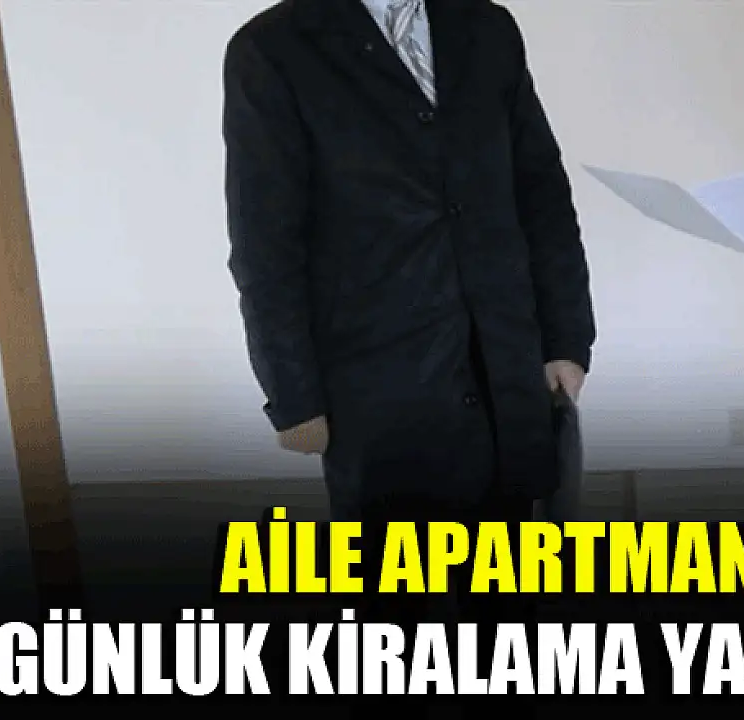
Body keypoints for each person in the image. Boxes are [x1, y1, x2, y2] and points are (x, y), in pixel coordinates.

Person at [222, 0, 594, 696]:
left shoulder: (485, 27)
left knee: (512, 636)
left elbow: (542, 192)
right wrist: (294, 397)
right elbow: (264, 242)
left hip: (507, 376)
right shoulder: (273, 49)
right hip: (378, 393)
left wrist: (568, 339)